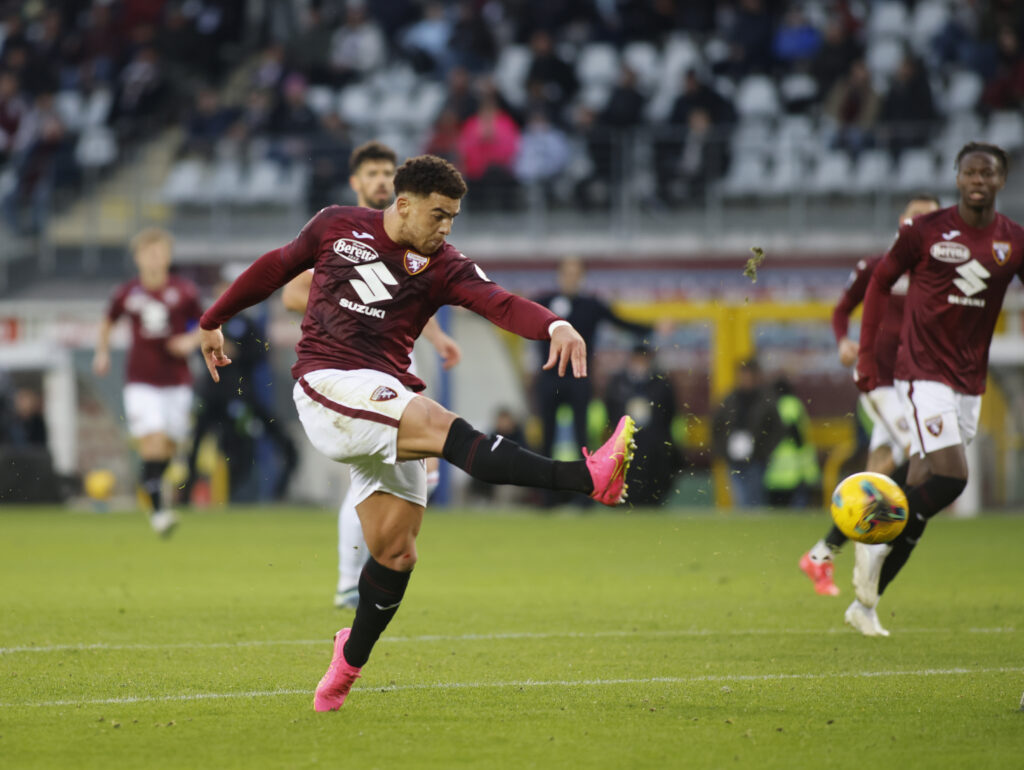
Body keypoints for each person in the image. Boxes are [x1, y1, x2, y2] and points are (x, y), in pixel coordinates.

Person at [198, 154, 637, 711]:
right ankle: (587, 478)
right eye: (439, 215)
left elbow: (498, 302)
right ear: (402, 205)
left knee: (397, 550)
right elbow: (277, 266)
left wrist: (553, 322)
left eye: (454, 217)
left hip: (383, 399)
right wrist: (212, 320)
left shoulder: (445, 263)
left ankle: (346, 663)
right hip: (327, 385)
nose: (447, 227)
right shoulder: (336, 224)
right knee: (436, 421)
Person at [847, 142, 1023, 637]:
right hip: (921, 374)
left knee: (925, 484)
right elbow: (880, 283)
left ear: (1000, 180)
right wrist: (865, 356)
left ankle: (867, 602)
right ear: (957, 177)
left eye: (987, 173)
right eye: (969, 171)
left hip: (969, 382)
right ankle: (874, 535)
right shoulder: (924, 232)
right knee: (952, 478)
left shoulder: (1013, 241)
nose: (978, 180)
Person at [282, 140, 461, 609]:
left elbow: (416, 298)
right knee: (375, 476)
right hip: (353, 361)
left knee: (424, 475)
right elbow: (291, 293)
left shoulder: (413, 236)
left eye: (387, 172)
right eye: (373, 174)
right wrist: (349, 310)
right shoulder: (342, 231)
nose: (381, 180)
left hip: (401, 360)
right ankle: (349, 578)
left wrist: (438, 338)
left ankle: (378, 564)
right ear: (357, 183)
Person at [800, 194, 941, 596]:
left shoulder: (938, 275)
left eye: (931, 219)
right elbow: (842, 308)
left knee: (879, 469)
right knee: (924, 452)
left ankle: (821, 554)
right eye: (917, 217)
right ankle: (886, 534)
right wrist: (843, 340)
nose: (921, 224)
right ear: (902, 221)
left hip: (919, 382)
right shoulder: (878, 266)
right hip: (880, 382)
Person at [93, 228, 203, 536]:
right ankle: (158, 512)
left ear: (168, 256)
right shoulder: (128, 293)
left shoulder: (184, 291)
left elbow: (207, 323)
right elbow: (107, 320)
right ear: (138, 258)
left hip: (177, 381)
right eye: (148, 252)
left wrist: (189, 342)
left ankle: (153, 489)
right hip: (141, 382)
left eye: (160, 252)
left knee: (169, 445)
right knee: (152, 440)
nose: (155, 258)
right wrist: (102, 353)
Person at [533, 257, 653, 465]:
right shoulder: (543, 302)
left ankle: (584, 492)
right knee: (547, 437)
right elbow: (512, 313)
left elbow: (621, 321)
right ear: (559, 276)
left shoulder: (591, 305)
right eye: (567, 273)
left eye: (575, 274)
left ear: (582, 277)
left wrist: (653, 327)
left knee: (582, 436)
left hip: (579, 378)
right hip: (549, 378)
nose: (571, 278)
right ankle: (546, 496)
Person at [603, 342, 680, 505]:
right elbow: (610, 410)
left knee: (653, 473)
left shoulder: (661, 383)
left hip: (653, 442)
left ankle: (653, 500)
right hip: (626, 442)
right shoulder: (618, 383)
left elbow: (669, 411)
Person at [711, 358, 767, 508]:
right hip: (733, 456)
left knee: (754, 496)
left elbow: (775, 428)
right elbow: (716, 425)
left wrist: (764, 449)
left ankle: (753, 525)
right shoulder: (730, 399)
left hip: (756, 457)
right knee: (741, 497)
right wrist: (722, 450)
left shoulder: (764, 399)